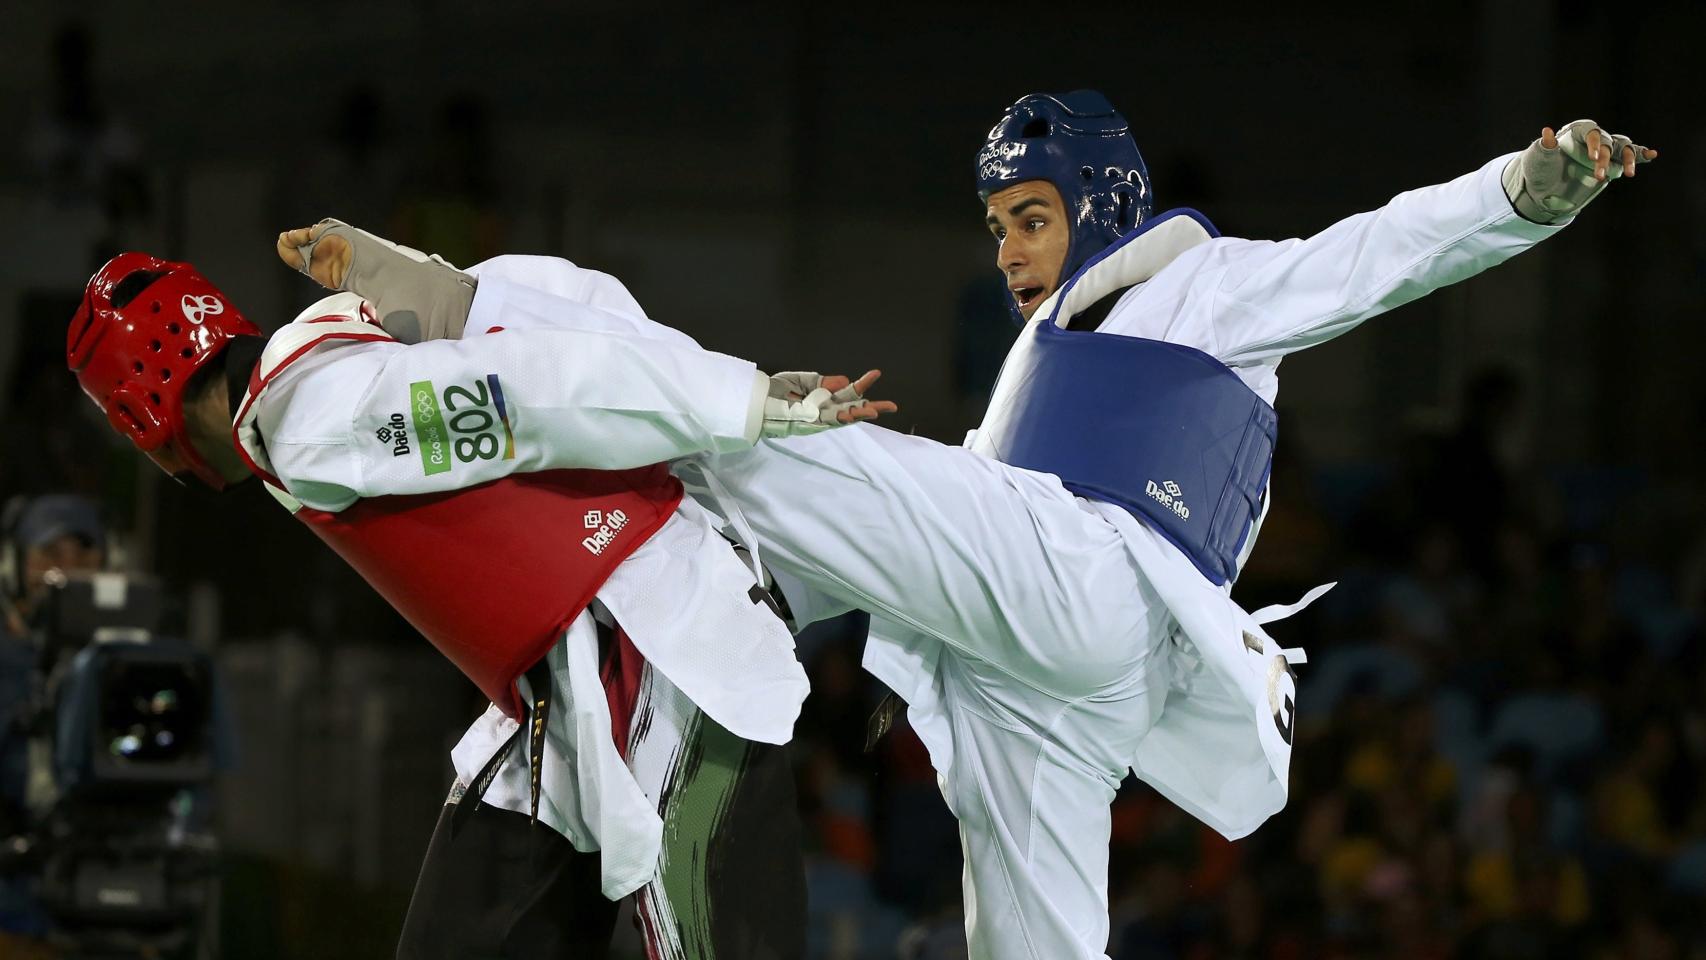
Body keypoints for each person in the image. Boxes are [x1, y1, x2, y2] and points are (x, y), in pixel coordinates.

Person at [282, 95, 1656, 959]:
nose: (1007, 250)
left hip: (1098, 578)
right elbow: (925, 540)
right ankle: (609, 416)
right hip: (1043, 677)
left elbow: (1374, 255)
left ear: (1106, 201)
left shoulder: (1206, 284)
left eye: (1031, 217)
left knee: (747, 437)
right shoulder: (1032, 370)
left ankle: (471, 310)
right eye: (995, 223)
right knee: (1041, 940)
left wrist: (1521, 194)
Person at [64, 248, 894, 958]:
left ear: (141, 413)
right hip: (562, 694)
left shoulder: (307, 416)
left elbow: (522, 389)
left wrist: (732, 400)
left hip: (657, 660)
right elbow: (566, 300)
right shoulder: (334, 331)